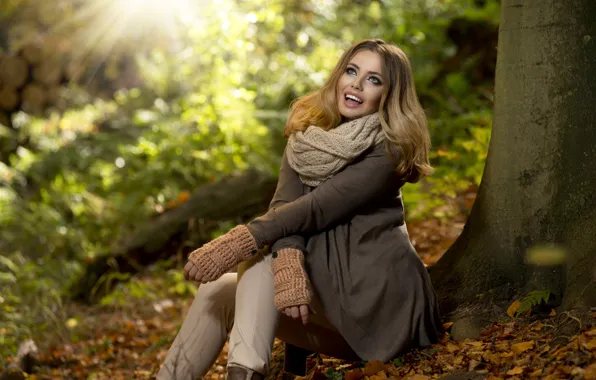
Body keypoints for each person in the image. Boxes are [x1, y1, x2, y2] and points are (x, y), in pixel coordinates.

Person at [156, 38, 442, 380]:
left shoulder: (390, 148)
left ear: (389, 94)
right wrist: (289, 261)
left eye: (373, 79)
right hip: (329, 300)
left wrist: (241, 239)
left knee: (257, 260)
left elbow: (317, 208)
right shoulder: (307, 137)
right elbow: (284, 207)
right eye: (351, 71)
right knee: (217, 291)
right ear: (338, 76)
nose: (355, 83)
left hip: (381, 304)